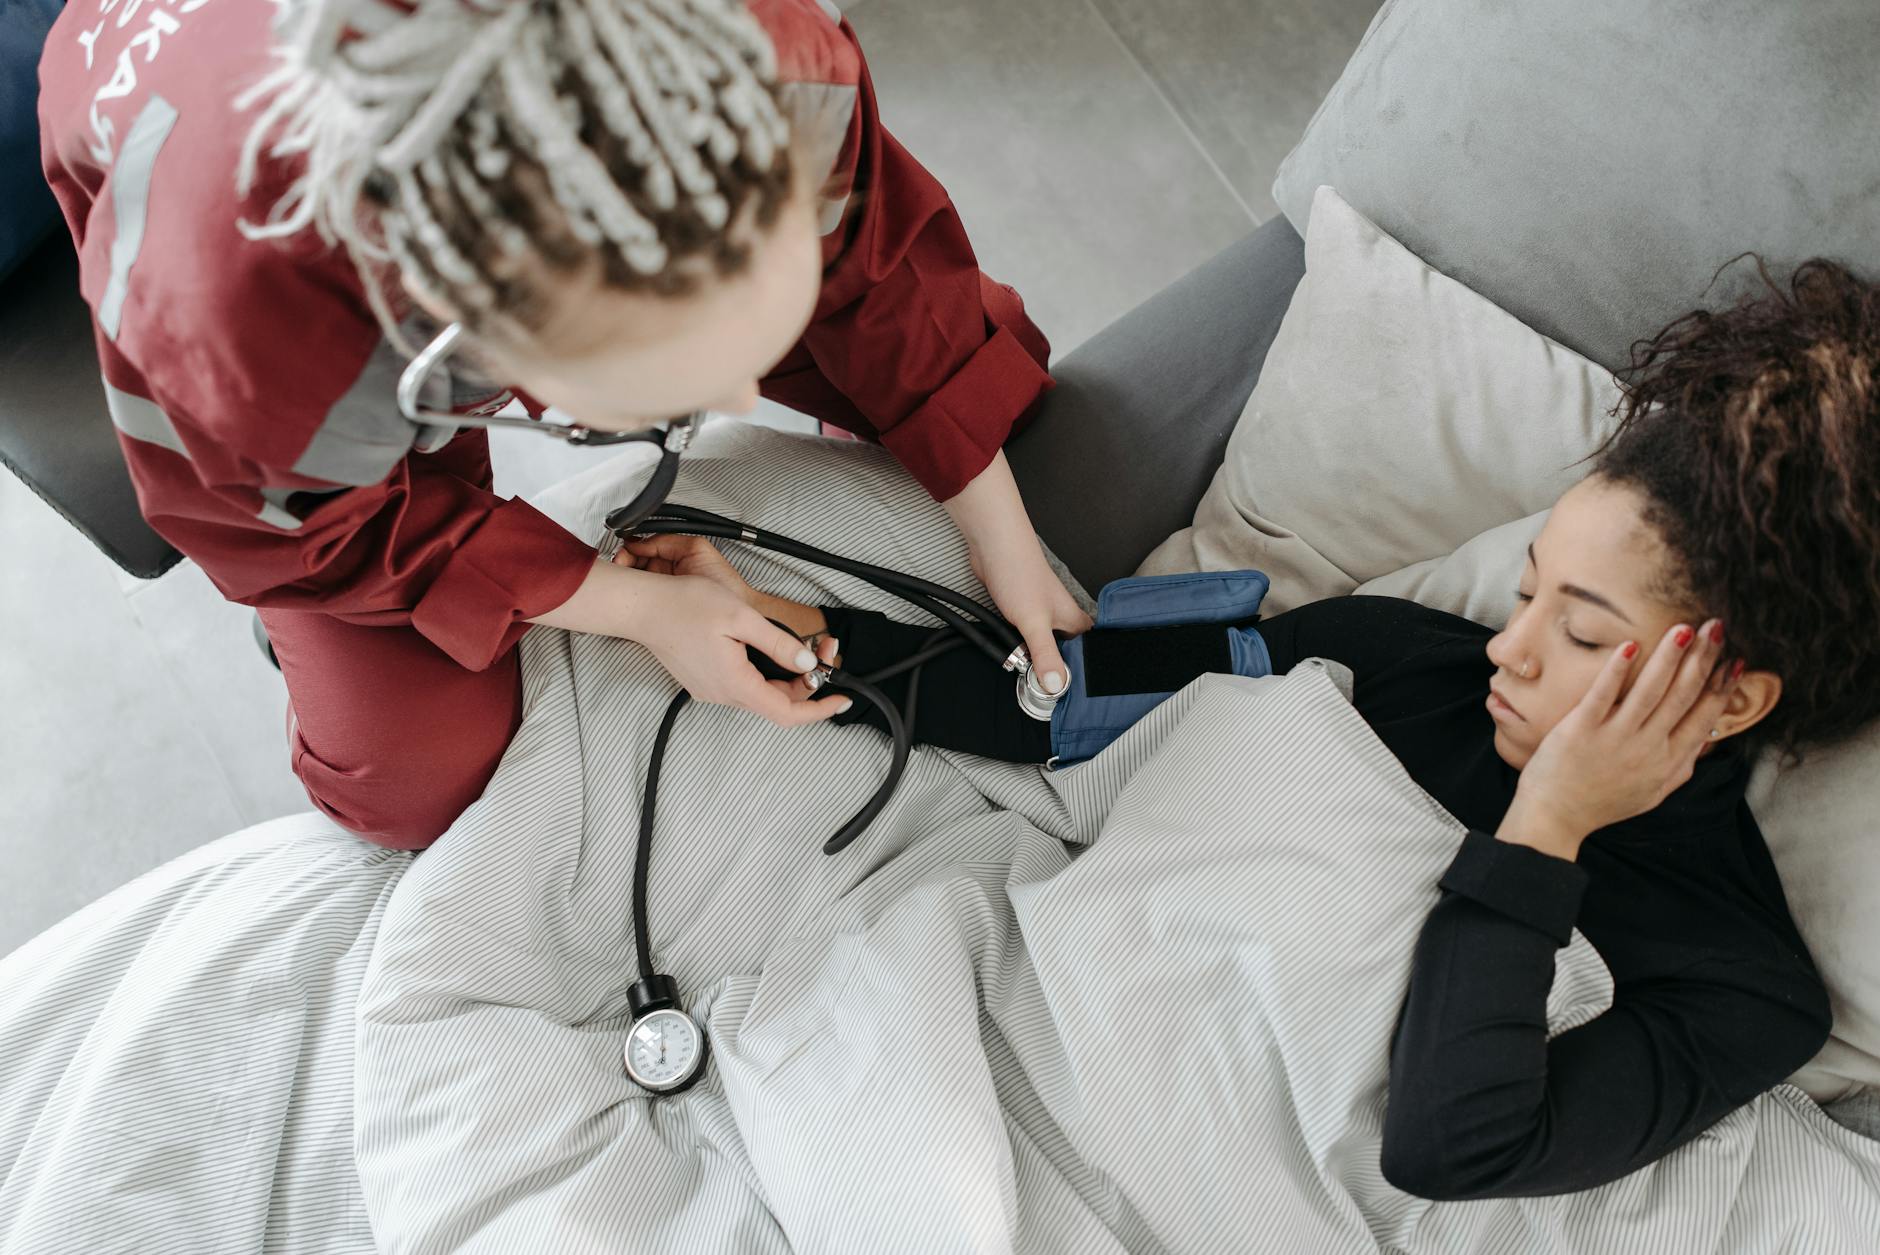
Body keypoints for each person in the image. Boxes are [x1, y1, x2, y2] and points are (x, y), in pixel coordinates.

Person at [648, 256, 1879, 1198]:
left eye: (1582, 631)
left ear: (1731, 697)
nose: (1506, 646)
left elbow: (1453, 1144)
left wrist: (1547, 825)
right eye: (1524, 590)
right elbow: (1069, 702)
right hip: (976, 1079)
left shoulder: (1743, 983)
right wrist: (786, 623)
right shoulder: (1397, 658)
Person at [36, 0, 1089, 849]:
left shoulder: (756, 55)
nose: (736, 407)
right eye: (669, 388)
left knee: (991, 392)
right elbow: (308, 531)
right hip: (194, 164)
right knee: (411, 784)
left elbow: (873, 252)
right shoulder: (245, 327)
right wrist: (634, 608)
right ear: (478, 349)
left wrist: (990, 516)